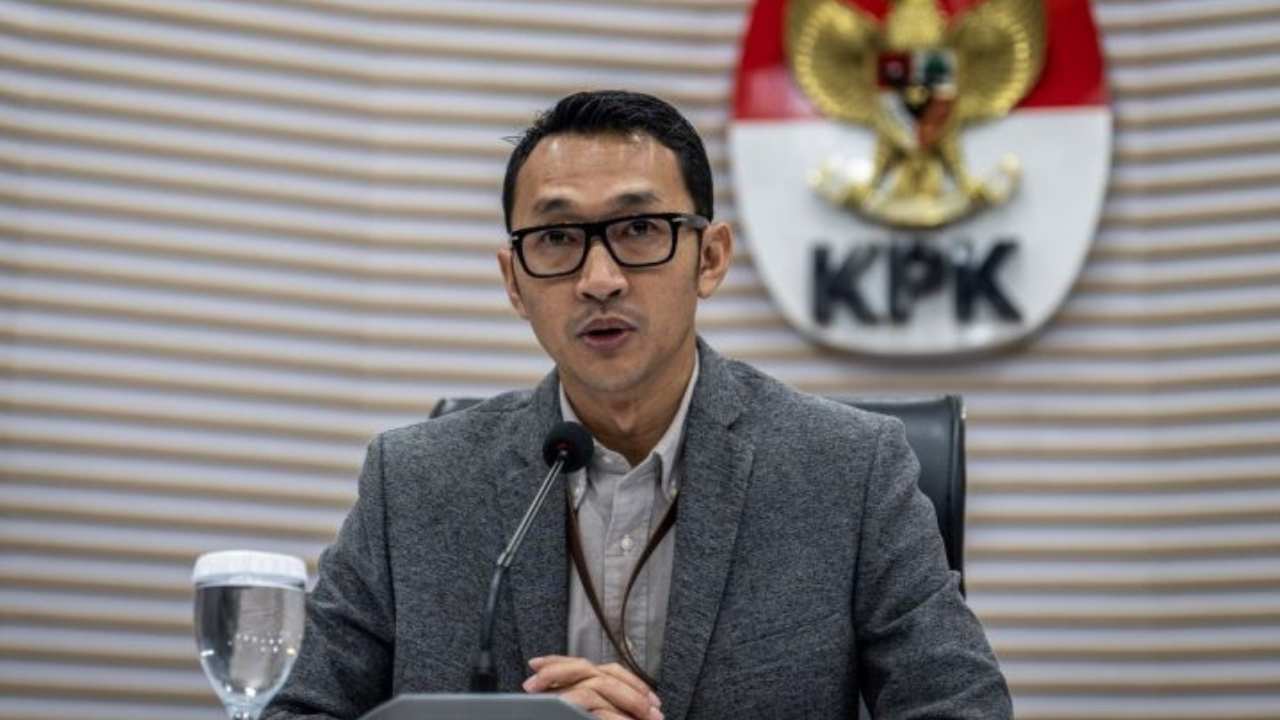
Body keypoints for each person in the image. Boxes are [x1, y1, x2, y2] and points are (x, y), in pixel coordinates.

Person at [264, 90, 1011, 720]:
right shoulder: (412, 483)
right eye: (557, 237)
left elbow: (963, 710)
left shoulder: (848, 472)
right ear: (514, 282)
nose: (599, 279)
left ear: (710, 258)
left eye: (640, 230)